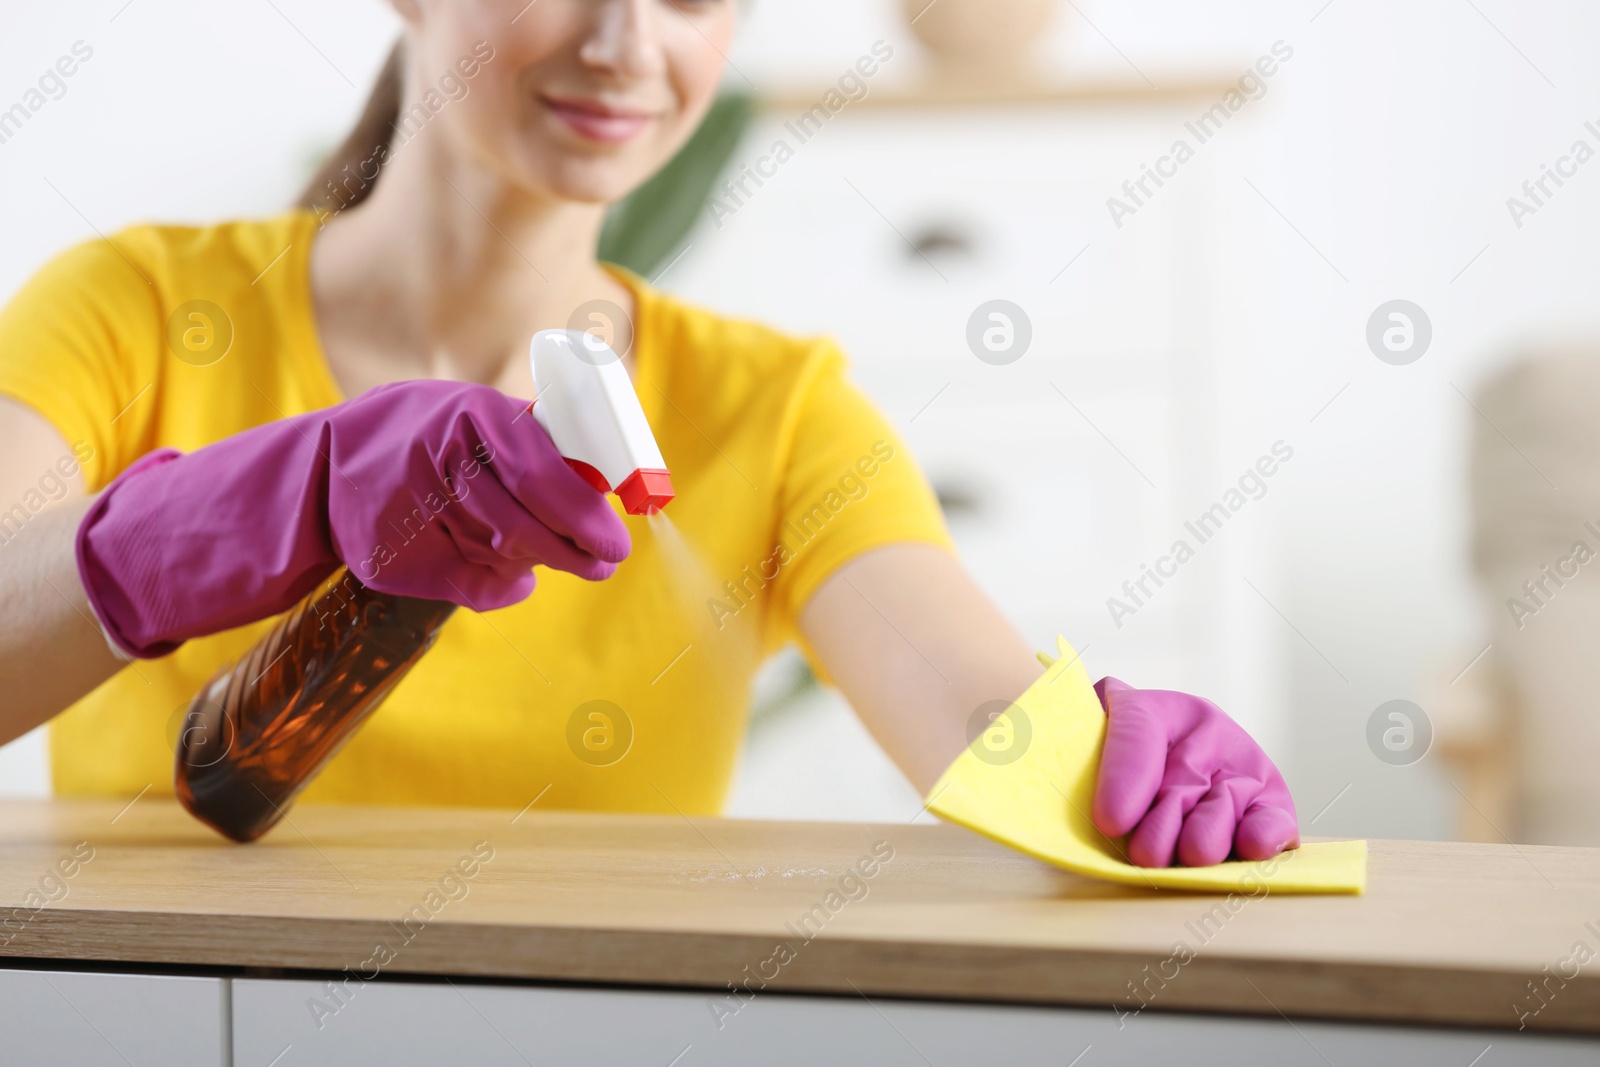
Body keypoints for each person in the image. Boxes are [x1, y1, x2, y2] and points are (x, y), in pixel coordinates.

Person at [0, 0, 1297, 868]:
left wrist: (1117, 775)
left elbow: (977, 714)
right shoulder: (136, 313)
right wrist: (270, 501)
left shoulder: (771, 412)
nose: (625, 43)